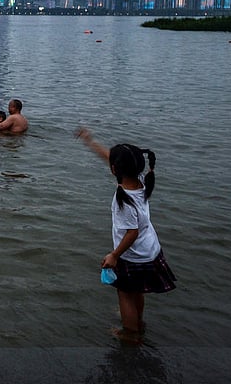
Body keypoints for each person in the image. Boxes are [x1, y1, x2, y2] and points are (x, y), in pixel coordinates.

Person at [76, 127, 176, 341]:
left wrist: (114, 255)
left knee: (124, 293)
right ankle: (138, 322)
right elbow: (112, 160)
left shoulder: (123, 199)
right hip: (150, 249)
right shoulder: (140, 182)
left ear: (115, 170)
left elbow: (132, 232)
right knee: (136, 291)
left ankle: (130, 334)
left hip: (132, 254)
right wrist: (91, 143)